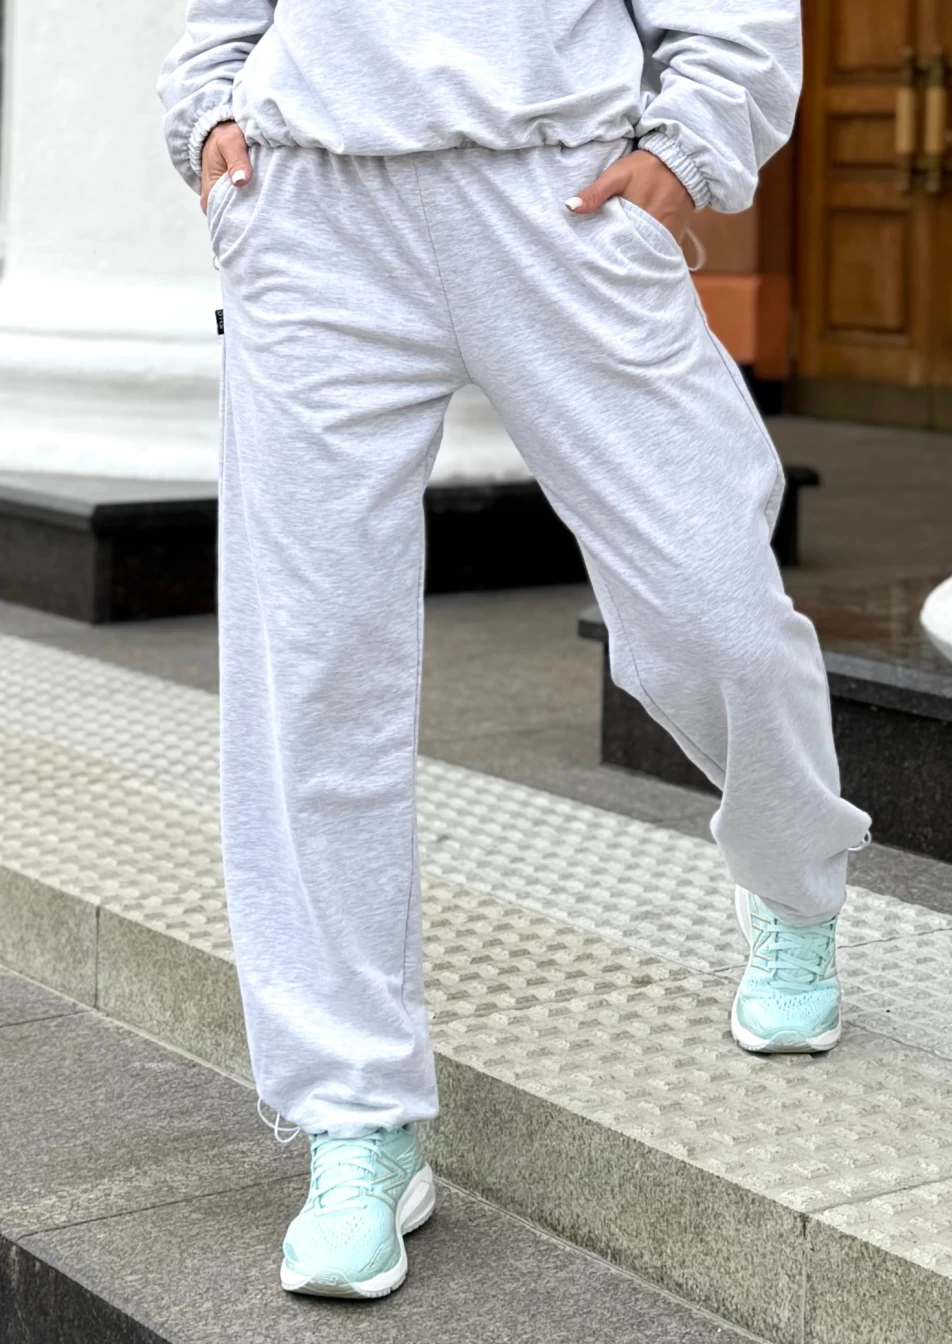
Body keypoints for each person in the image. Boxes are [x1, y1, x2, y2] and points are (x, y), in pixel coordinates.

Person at [158, 0, 871, 1301]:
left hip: (566, 198)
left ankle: (793, 876)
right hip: (314, 208)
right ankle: (356, 1118)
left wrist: (685, 153)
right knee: (311, 673)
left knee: (712, 605)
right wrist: (209, 114)